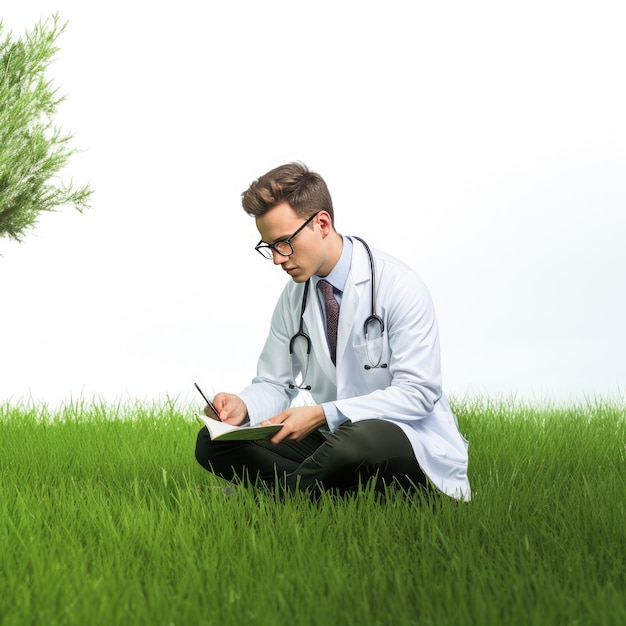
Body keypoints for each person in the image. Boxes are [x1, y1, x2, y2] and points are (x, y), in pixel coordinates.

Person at [195, 162, 470, 500]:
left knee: (355, 443)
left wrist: (324, 413)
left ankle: (276, 498)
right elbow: (274, 383)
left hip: (406, 439)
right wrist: (242, 407)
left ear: (322, 224)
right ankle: (331, 492)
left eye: (284, 243)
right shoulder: (294, 297)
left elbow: (419, 393)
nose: (277, 260)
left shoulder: (399, 284)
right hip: (336, 437)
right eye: (269, 246)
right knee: (212, 443)